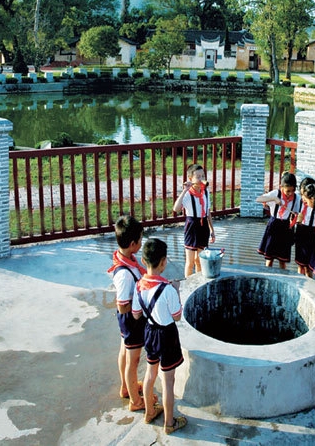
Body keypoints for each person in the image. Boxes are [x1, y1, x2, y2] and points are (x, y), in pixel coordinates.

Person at [132, 238, 188, 435]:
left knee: (150, 374)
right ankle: (169, 423)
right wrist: (177, 291)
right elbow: (177, 316)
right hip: (167, 335)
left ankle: (149, 412)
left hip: (149, 332)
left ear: (143, 260)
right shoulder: (168, 289)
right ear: (164, 262)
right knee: (168, 381)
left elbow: (136, 314)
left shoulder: (138, 286)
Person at [107, 214, 154, 413]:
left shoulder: (126, 259)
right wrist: (139, 309)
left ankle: (127, 387)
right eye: (140, 240)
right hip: (131, 321)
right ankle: (136, 401)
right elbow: (122, 305)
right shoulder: (125, 275)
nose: (142, 243)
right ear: (133, 243)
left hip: (126, 321)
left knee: (125, 353)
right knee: (133, 362)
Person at [173, 163, 215, 277]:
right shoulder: (187, 194)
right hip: (192, 226)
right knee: (190, 262)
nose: (201, 179)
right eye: (198, 177)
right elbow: (176, 209)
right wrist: (184, 190)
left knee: (200, 260)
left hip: (203, 226)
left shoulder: (206, 192)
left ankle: (199, 282)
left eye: (203, 176)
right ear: (191, 178)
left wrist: (212, 229)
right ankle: (188, 283)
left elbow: (208, 212)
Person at [256, 171, 301, 269]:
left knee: (282, 260)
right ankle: (267, 274)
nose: (290, 193)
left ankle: (282, 276)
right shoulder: (276, 193)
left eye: (293, 190)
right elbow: (258, 199)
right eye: (288, 191)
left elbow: (297, 212)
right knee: (270, 258)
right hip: (274, 226)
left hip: (286, 228)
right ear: (281, 187)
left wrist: (296, 216)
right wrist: (273, 198)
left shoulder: (296, 198)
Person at [293, 176, 315, 277]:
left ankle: (309, 282)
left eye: (304, 194)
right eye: (301, 194)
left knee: (308, 266)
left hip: (311, 233)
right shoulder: (300, 201)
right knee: (300, 263)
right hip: (301, 230)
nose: (302, 197)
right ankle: (300, 281)